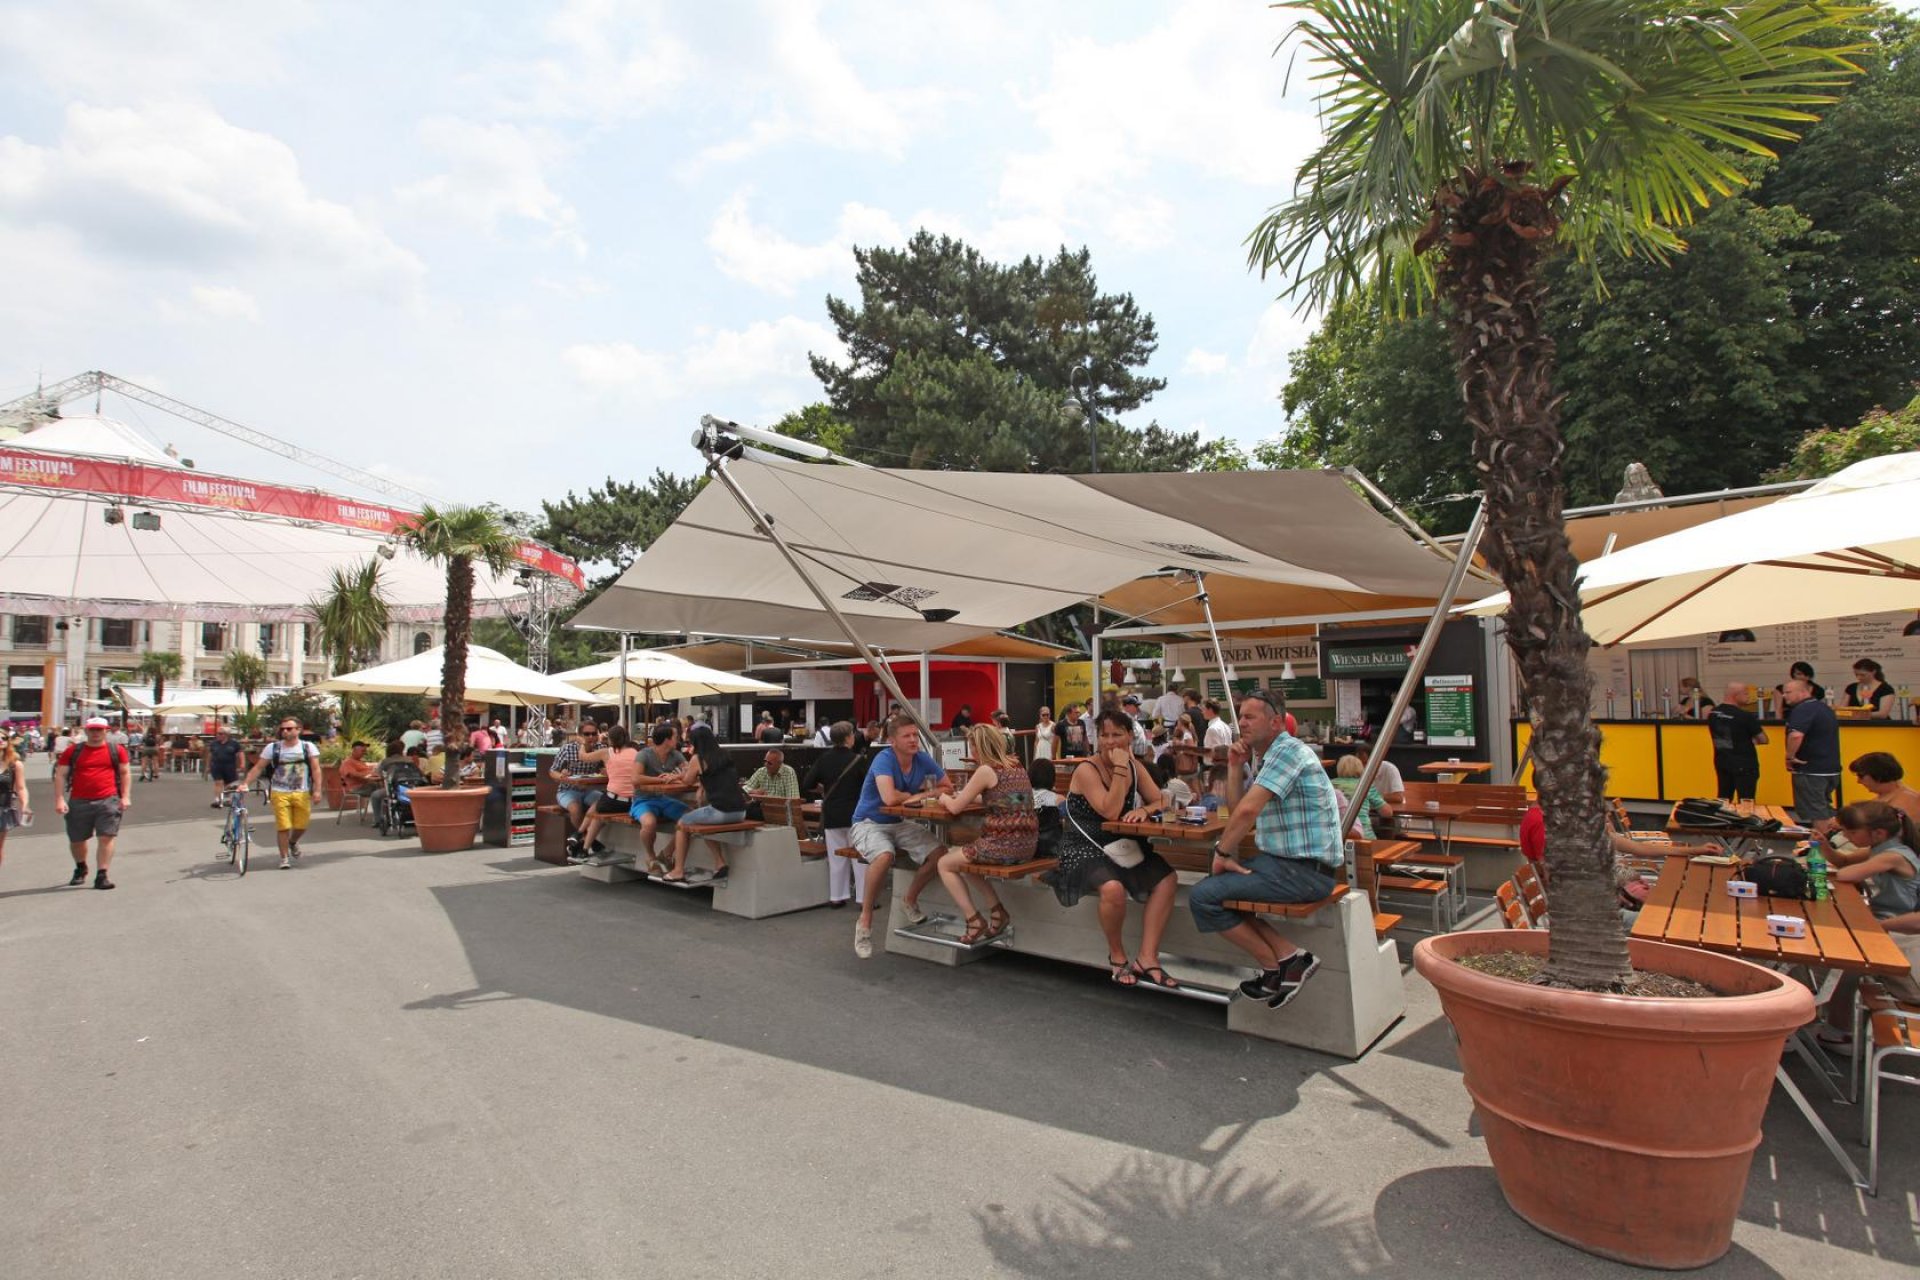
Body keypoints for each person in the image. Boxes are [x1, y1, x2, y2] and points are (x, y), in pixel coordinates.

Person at [1189, 692, 1342, 1008]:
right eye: (1240, 716)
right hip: (1287, 866)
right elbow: (1238, 809)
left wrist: (1223, 854)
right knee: (1223, 893)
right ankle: (1289, 958)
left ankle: (1274, 966)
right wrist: (1234, 767)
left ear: (1275, 722)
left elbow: (1246, 814)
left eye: (1250, 717)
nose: (1241, 723)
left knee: (1203, 896)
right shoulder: (1268, 756)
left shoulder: (1287, 752)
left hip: (1304, 871)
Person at [1046, 708, 1180, 990]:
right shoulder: (1087, 769)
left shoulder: (1135, 767)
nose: (1110, 741)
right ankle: (1117, 954)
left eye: (1117, 735)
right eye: (1104, 735)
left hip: (1121, 845)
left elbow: (1163, 801)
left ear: (1130, 736)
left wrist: (1144, 808)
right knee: (1112, 889)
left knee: (1168, 880)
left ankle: (1147, 956)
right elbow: (1109, 810)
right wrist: (1120, 768)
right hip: (1083, 846)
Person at [847, 714, 953, 958]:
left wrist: (925, 794)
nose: (914, 740)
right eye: (907, 736)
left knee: (940, 853)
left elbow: (948, 787)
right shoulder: (883, 759)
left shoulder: (922, 759)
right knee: (884, 856)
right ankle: (865, 921)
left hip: (898, 822)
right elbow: (889, 798)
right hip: (868, 823)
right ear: (893, 740)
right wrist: (919, 796)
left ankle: (909, 898)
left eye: (915, 735)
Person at [926, 723, 1037, 944]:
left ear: (978, 747)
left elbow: (955, 808)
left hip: (1003, 845)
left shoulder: (986, 770)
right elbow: (1007, 799)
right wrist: (966, 796)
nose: (971, 752)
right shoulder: (1016, 766)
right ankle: (997, 912)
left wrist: (943, 797)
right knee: (966, 859)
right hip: (1027, 845)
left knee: (945, 863)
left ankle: (974, 920)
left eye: (972, 746)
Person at [663, 723, 750, 883]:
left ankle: (678, 870)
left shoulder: (698, 758)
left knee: (682, 823)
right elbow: (716, 775)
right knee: (703, 824)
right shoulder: (724, 754)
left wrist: (677, 776)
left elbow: (688, 781)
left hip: (721, 812)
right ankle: (719, 863)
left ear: (696, 743)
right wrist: (702, 786)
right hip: (740, 812)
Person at [55, 717, 132, 890]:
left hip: (108, 799)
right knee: (77, 839)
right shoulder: (73, 751)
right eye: (92, 730)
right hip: (79, 800)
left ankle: (102, 874)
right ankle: (81, 867)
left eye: (99, 729)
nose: (96, 733)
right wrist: (60, 799)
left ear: (106, 730)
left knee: (106, 836)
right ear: (86, 731)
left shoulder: (116, 750)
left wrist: (125, 796)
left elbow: (125, 773)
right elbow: (60, 775)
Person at [804, 722, 871, 908]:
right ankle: (863, 899)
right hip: (855, 814)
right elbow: (868, 787)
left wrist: (823, 788)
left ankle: (837, 897)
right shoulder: (858, 760)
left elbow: (807, 782)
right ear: (848, 737)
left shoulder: (824, 759)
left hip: (832, 813)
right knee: (860, 857)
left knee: (836, 858)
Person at [241, 718, 322, 870]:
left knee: (301, 825)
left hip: (301, 791)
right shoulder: (273, 748)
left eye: (289, 728)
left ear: (298, 730)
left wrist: (317, 790)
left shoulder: (308, 747)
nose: (285, 731)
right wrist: (246, 783)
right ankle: (284, 858)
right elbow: (258, 767)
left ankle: (293, 842)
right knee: (283, 827)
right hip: (279, 792)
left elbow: (316, 769)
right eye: (283, 728)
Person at [1830, 801, 1920, 919]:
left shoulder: (1892, 856)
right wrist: (1823, 846)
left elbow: (1845, 874)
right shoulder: (1881, 848)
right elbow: (1844, 861)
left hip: (1897, 921)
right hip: (1883, 912)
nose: (1845, 836)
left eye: (1852, 832)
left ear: (1879, 833)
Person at [1783, 677, 1842, 833]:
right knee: (1824, 806)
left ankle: (1822, 847)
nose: (1784, 696)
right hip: (1830, 768)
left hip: (1810, 769)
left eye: (1788, 692)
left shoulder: (1803, 710)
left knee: (1817, 811)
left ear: (1803, 692)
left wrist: (1789, 756)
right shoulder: (1824, 708)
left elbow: (1796, 735)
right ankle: (1836, 840)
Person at [576, 725, 640, 864]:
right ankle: (580, 838)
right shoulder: (635, 752)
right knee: (598, 803)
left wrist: (582, 743)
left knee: (597, 810)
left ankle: (583, 845)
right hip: (633, 802)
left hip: (614, 802)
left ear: (611, 739)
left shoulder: (607, 752)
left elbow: (583, 757)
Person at [550, 721, 606, 859]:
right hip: (567, 789)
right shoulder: (568, 749)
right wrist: (563, 777)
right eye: (587, 734)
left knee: (605, 804)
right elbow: (552, 771)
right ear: (579, 735)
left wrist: (605, 770)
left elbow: (605, 769)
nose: (591, 737)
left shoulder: (601, 748)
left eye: (594, 733)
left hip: (589, 789)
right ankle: (590, 840)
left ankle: (580, 838)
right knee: (575, 808)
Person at [1706, 682, 1768, 802]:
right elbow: (1763, 739)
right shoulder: (1744, 716)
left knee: (1724, 798)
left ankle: (1722, 819)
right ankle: (1745, 820)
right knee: (1746, 800)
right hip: (1744, 763)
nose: (1748, 697)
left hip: (1722, 761)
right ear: (1736, 695)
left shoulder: (1713, 713)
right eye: (1745, 693)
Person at [1849, 752, 1920, 828]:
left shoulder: (1908, 801)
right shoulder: (1883, 798)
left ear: (1878, 775)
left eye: (1861, 776)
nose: (1858, 781)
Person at [1330, 755, 1391, 839]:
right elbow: (1387, 812)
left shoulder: (1329, 785)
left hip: (1339, 836)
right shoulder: (1366, 784)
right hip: (1364, 835)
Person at [0, 735, 29, 871]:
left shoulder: (14, 764)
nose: (1, 740)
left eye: (4, 738)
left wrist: (24, 805)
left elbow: (21, 787)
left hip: (3, 809)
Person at [202, 725, 243, 809]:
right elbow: (210, 755)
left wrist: (242, 764)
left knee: (229, 784)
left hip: (230, 766)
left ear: (226, 734)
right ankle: (217, 800)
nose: (218, 735)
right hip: (216, 765)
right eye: (218, 733)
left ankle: (227, 799)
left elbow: (240, 753)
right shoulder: (214, 743)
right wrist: (207, 766)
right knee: (218, 783)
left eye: (220, 734)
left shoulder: (234, 743)